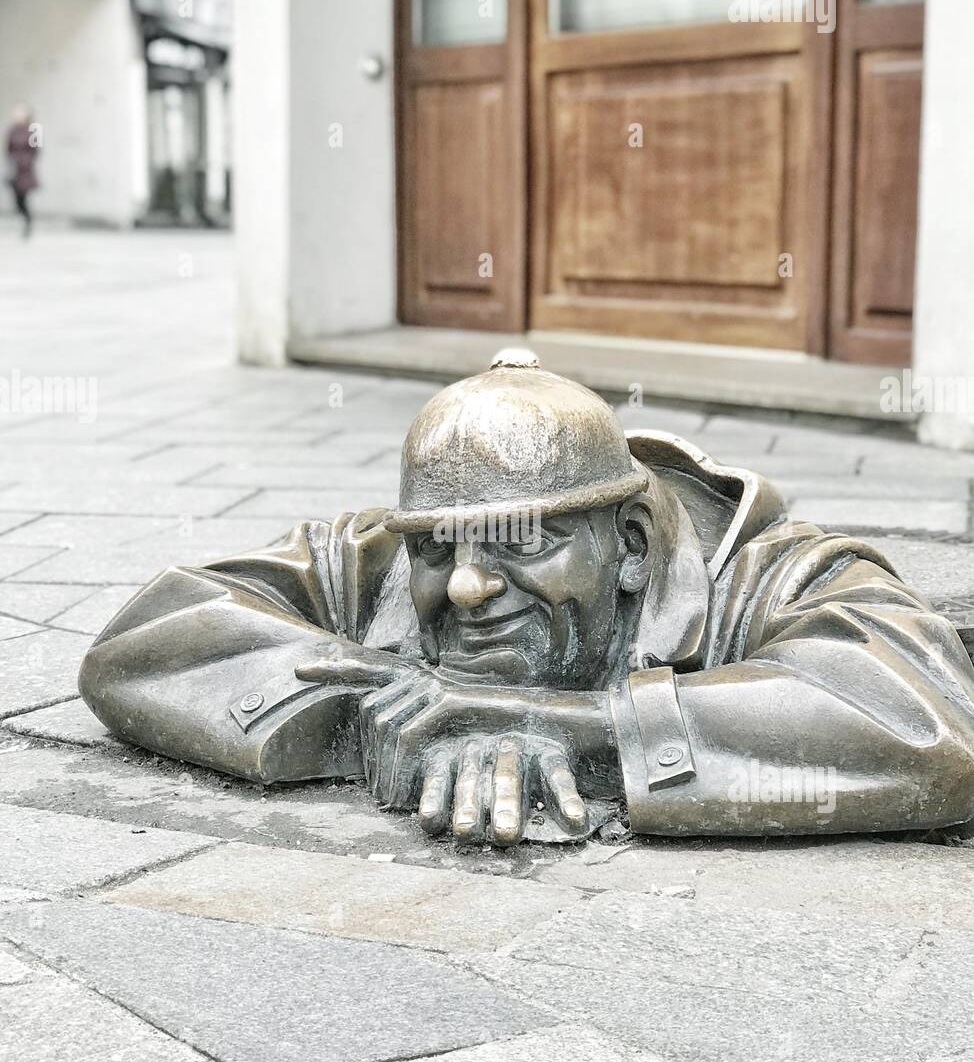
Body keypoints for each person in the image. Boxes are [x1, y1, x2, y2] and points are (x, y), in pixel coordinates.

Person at [79, 351, 974, 847]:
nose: (465, 584)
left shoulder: (776, 574)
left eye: (524, 541)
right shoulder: (380, 553)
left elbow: (928, 727)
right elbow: (147, 637)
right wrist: (385, 707)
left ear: (627, 548)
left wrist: (569, 728)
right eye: (437, 548)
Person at [6, 104, 39, 238]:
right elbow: (8, 148)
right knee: (17, 201)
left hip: (25, 171)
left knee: (23, 198)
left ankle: (28, 222)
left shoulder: (33, 131)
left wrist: (25, 161)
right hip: (15, 170)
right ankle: (26, 219)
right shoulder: (12, 130)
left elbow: (35, 151)